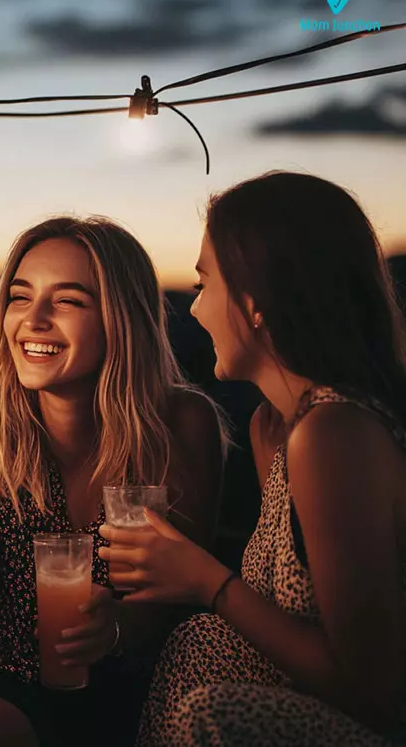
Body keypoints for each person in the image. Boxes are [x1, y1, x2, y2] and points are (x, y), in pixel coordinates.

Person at [0, 215, 229, 747]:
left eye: (67, 301)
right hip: (0, 671)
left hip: (137, 685)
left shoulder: (182, 422)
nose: (34, 319)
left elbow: (179, 598)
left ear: (121, 318)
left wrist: (114, 628)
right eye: (20, 298)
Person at [99, 171, 406, 745]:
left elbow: (375, 690)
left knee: (212, 704)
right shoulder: (275, 429)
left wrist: (205, 580)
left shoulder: (335, 435)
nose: (193, 311)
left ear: (253, 301)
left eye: (202, 284)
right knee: (203, 644)